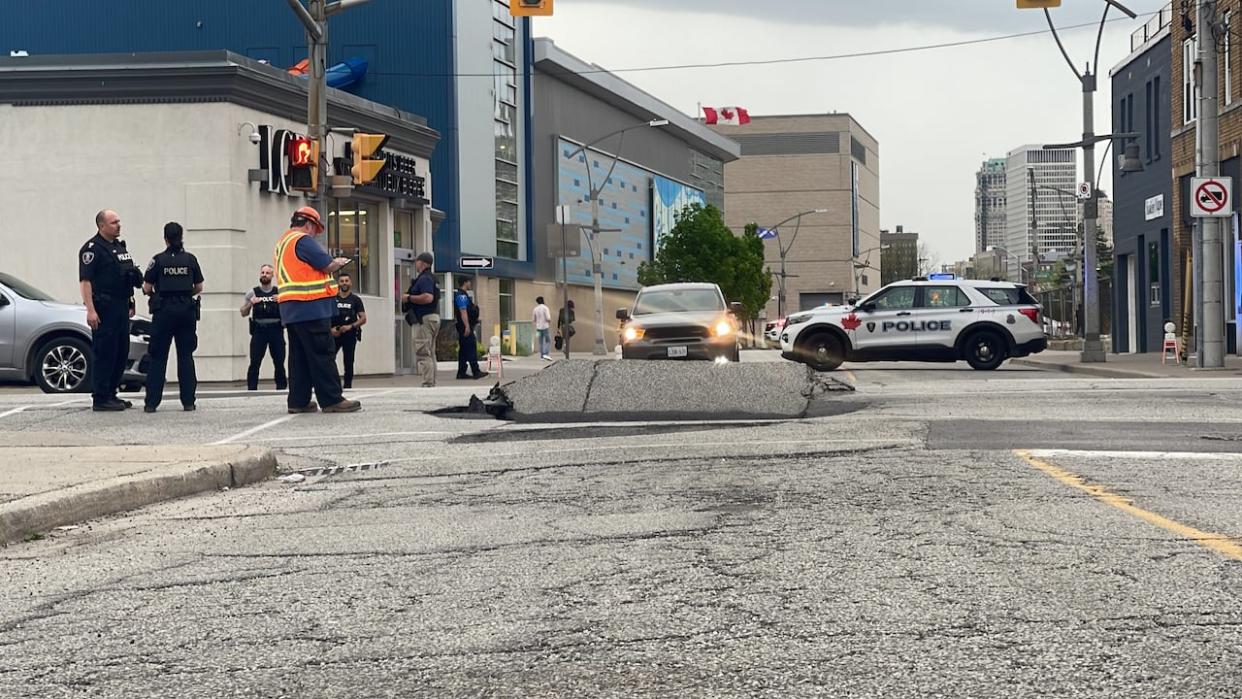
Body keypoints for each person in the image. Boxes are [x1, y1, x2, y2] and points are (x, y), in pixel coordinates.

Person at [274, 206, 360, 414]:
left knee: (299, 357)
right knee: (322, 353)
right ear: (309, 224)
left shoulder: (283, 242)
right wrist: (338, 262)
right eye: (316, 229)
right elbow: (326, 265)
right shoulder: (302, 240)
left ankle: (298, 401)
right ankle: (332, 399)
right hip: (310, 307)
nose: (315, 234)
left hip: (292, 309)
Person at [79, 209, 142, 411]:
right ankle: (101, 397)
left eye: (119, 221)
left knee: (120, 352)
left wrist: (131, 300)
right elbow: (85, 281)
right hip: (104, 307)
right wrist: (90, 310)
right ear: (102, 226)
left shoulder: (119, 247)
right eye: (114, 222)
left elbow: (126, 275)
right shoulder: (92, 249)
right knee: (105, 352)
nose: (118, 225)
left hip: (121, 306)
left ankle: (111, 393)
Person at [142, 222, 203, 413]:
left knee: (158, 357)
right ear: (181, 236)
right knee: (185, 356)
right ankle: (188, 402)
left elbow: (146, 287)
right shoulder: (190, 259)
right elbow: (199, 287)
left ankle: (152, 403)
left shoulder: (158, 260)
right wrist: (184, 293)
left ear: (165, 238)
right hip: (186, 310)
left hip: (164, 312)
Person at [240, 265, 287, 391]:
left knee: (279, 363)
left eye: (267, 273)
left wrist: (282, 301)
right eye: (262, 272)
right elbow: (243, 313)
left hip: (276, 330)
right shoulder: (253, 292)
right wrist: (251, 303)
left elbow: (289, 312)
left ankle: (282, 389)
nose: (264, 275)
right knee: (255, 362)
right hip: (259, 331)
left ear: (272, 276)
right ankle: (251, 389)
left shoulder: (279, 292)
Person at [401, 252, 440, 387]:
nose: (416, 264)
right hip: (433, 317)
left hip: (424, 318)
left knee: (423, 351)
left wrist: (409, 298)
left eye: (417, 262)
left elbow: (428, 297)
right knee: (430, 351)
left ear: (422, 263)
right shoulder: (433, 278)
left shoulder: (424, 279)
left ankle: (428, 382)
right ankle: (432, 381)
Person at [331, 272, 367, 389]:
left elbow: (363, 318)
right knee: (329, 359)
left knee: (348, 361)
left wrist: (351, 326)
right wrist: (330, 329)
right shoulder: (333, 299)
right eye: (342, 281)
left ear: (350, 283)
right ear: (338, 283)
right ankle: (334, 384)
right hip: (335, 334)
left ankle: (347, 386)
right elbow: (326, 316)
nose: (344, 283)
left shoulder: (355, 300)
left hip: (350, 333)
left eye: (346, 281)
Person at [454, 277, 486, 380]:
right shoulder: (461, 296)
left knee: (463, 349)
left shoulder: (462, 295)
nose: (470, 284)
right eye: (469, 282)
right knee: (471, 347)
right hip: (464, 326)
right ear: (465, 282)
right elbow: (463, 311)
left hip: (463, 325)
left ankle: (461, 372)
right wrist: (467, 326)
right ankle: (476, 371)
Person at [532, 296, 552, 360]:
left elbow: (534, 319)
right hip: (545, 327)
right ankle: (546, 353)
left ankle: (542, 355)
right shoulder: (546, 308)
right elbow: (548, 318)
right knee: (548, 340)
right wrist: (549, 322)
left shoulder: (535, 309)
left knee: (540, 341)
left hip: (538, 328)